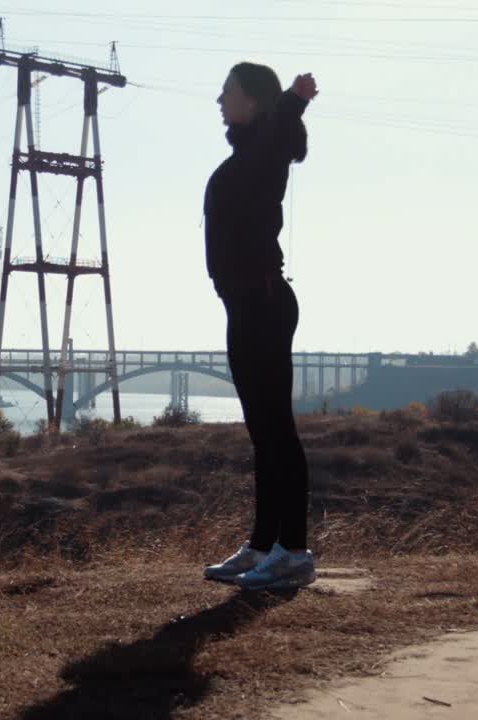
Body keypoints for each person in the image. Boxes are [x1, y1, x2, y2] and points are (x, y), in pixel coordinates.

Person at [201, 63, 319, 591]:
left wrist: (292, 102)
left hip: (264, 303)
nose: (219, 100)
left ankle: (293, 551)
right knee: (262, 435)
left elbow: (280, 139)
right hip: (244, 305)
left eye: (227, 92)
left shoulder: (266, 152)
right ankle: (262, 545)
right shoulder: (246, 155)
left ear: (252, 101)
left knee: (277, 433)